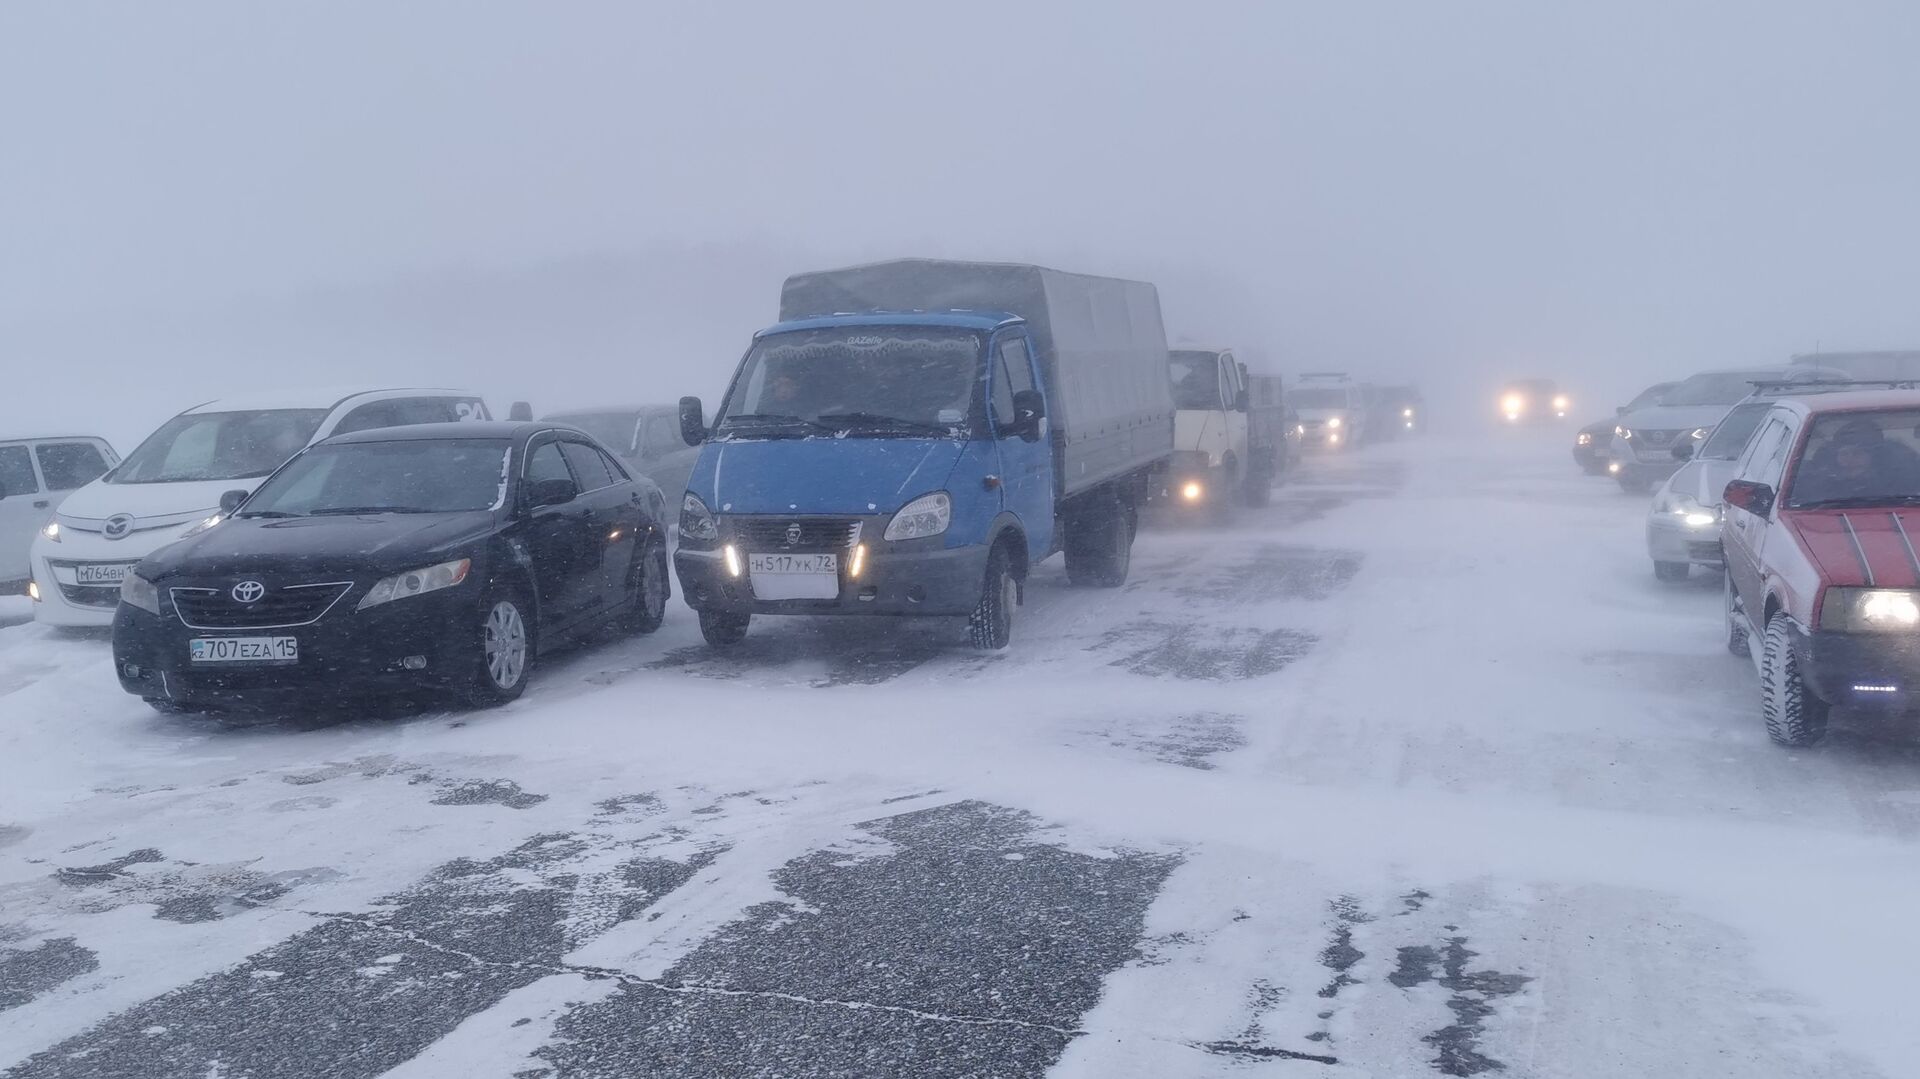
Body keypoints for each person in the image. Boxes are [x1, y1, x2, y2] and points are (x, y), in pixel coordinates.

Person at [1796, 417, 1920, 503]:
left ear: (1875, 456)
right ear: (1834, 456)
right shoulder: (1814, 483)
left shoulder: (1900, 484)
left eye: (1858, 453)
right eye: (1844, 453)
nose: (1850, 459)